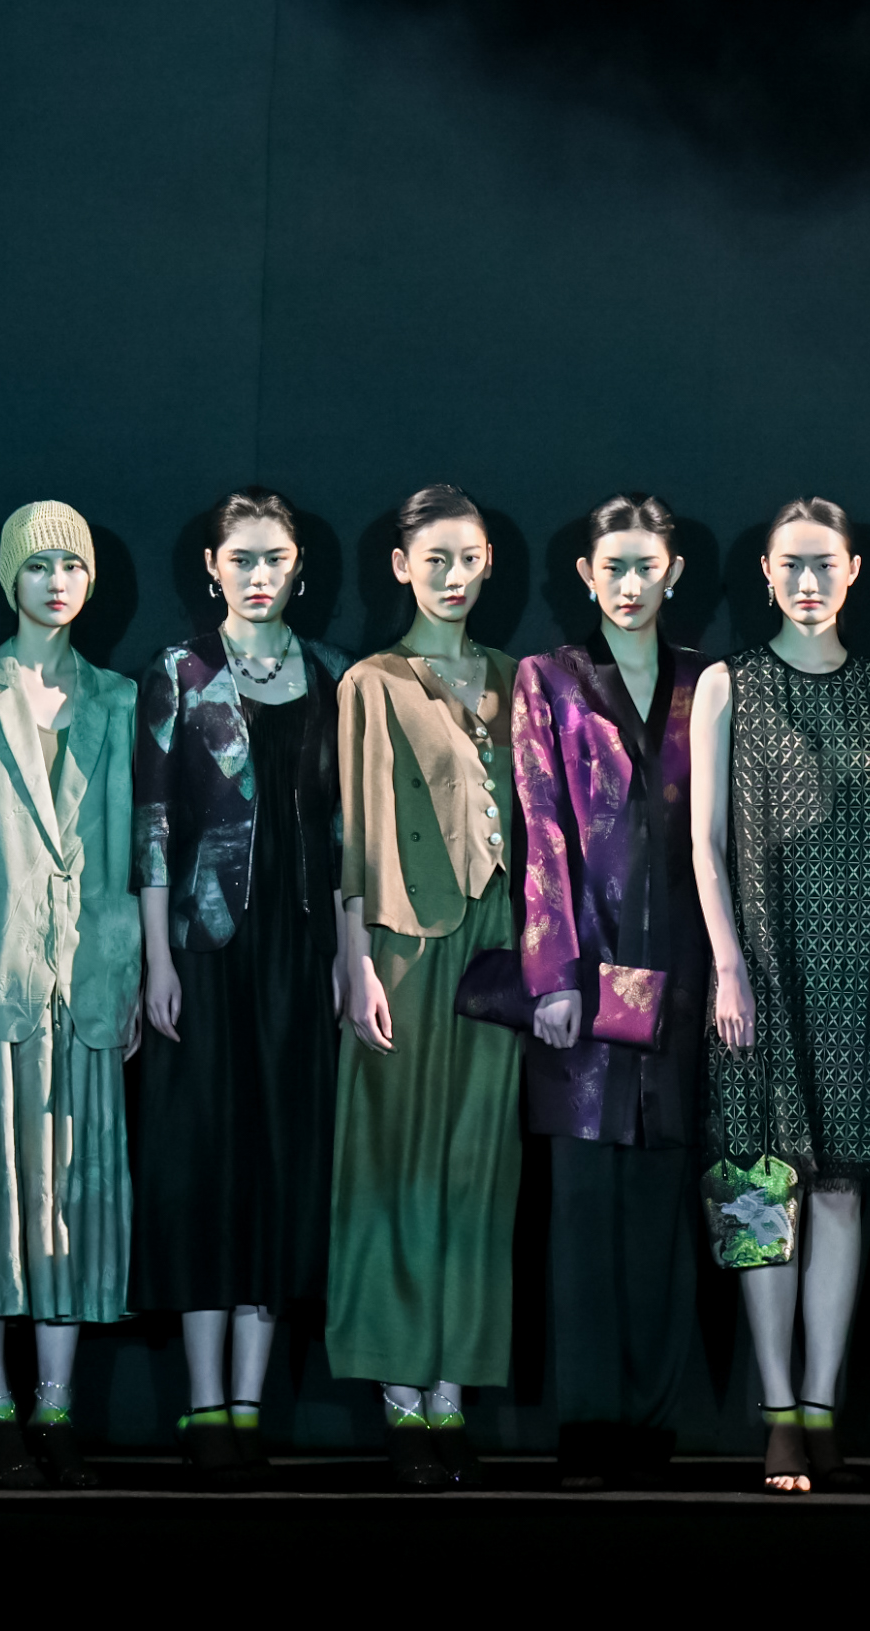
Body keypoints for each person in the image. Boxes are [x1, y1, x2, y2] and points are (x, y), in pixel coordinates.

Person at [692, 495, 870, 1491]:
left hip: (860, 962)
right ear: (766, 572)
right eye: (792, 563)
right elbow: (704, 840)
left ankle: (823, 1405)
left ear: (854, 571)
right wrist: (728, 963)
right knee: (759, 1177)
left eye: (826, 563)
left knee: (840, 1185)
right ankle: (778, 1408)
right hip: (761, 960)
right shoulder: (729, 683)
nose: (809, 581)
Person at [0, 500, 140, 1490]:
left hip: (87, 977)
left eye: (72, 565)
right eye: (39, 565)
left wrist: (130, 969)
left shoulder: (118, 700)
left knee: (70, 1199)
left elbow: (132, 847)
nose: (57, 582)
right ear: (10, 576)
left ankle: (55, 1407)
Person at [132, 489, 349, 1481]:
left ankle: (250, 1404)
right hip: (206, 950)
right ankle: (204, 1399)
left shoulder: (331, 672)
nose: (260, 575)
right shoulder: (179, 671)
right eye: (243, 558)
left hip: (298, 951)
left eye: (276, 558)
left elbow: (342, 834)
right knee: (202, 1167)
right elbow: (152, 825)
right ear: (212, 566)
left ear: (299, 567)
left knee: (278, 1165)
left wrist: (346, 954)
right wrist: (157, 957)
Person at [514, 493, 715, 1489]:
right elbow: (541, 825)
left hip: (681, 966)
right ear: (586, 575)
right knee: (584, 1200)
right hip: (588, 973)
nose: (630, 584)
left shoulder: (704, 681)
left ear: (673, 572)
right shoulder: (549, 677)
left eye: (647, 566)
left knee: (664, 1200)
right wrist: (552, 975)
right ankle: (589, 1423)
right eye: (614, 567)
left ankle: (653, 1421)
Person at [328, 482, 526, 1487]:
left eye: (469, 557)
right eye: (435, 557)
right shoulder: (371, 679)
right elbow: (357, 830)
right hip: (404, 935)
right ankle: (400, 1392)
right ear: (401, 565)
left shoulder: (515, 677)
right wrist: (353, 955)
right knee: (393, 1159)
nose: (454, 575)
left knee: (478, 1164)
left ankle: (453, 1388)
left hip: (498, 938)